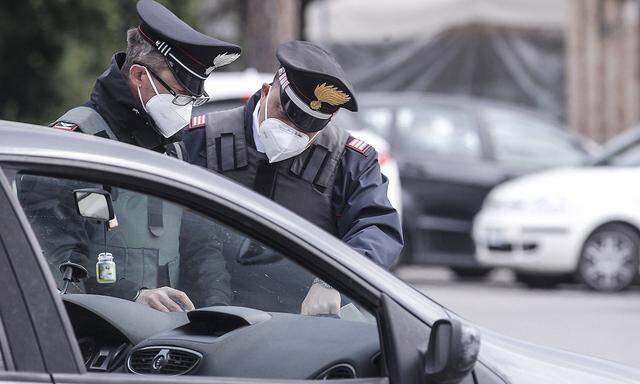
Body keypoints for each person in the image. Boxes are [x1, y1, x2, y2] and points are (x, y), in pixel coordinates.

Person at [20, 0, 241, 311]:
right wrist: (131, 298)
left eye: (194, 99)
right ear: (139, 76)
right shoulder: (72, 144)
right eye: (179, 95)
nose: (186, 109)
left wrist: (220, 312)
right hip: (97, 345)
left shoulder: (173, 151)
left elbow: (201, 246)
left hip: (162, 341)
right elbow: (56, 263)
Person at [181, 41, 403, 315]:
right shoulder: (201, 138)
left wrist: (336, 279)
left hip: (299, 325)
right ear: (265, 92)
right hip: (203, 316)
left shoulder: (348, 160)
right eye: (285, 113)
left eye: (308, 126)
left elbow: (378, 228)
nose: (291, 130)